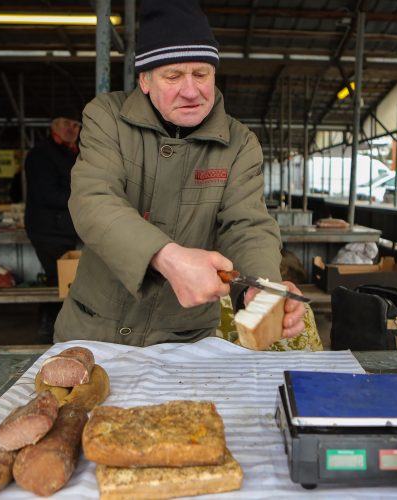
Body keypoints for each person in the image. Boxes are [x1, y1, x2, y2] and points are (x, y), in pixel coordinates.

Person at [54, 0, 305, 346]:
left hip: (181, 338)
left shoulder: (239, 143)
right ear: (144, 79)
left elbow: (247, 225)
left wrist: (261, 286)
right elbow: (93, 201)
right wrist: (166, 257)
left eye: (201, 74)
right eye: (173, 76)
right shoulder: (106, 117)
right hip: (95, 329)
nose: (191, 91)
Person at [24, 109, 81, 342]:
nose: (71, 129)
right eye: (66, 123)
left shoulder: (74, 153)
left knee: (62, 280)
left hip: (65, 229)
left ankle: (56, 327)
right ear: (54, 126)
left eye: (76, 125)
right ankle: (47, 329)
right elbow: (49, 195)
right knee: (55, 281)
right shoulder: (41, 154)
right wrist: (86, 197)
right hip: (48, 230)